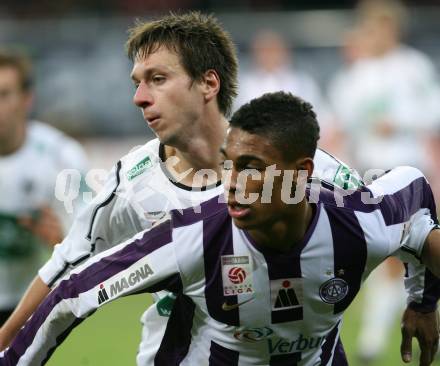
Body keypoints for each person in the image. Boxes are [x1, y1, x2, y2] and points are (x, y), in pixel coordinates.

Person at [0, 13, 437, 366]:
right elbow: (66, 271)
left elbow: (394, 225)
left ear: (208, 84)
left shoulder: (309, 170)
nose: (139, 96)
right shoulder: (127, 184)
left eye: (157, 78)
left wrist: (422, 301)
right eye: (137, 81)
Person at [328, 1, 440, 362]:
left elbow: (433, 110)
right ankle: (374, 338)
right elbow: (340, 121)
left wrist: (401, 121)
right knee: (384, 254)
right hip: (370, 173)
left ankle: (373, 340)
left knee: (410, 254)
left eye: (379, 29)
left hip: (409, 170)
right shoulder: (354, 75)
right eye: (369, 29)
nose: (373, 36)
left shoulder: (413, 66)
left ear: (392, 30)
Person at [0, 50, 88, 326]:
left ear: (27, 99)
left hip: (27, 307)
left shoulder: (61, 157)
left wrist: (60, 241)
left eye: (3, 95)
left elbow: (90, 245)